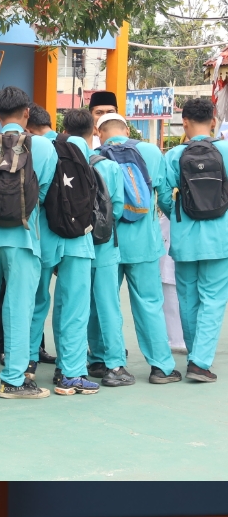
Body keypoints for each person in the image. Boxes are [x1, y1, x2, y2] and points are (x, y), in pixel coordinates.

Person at [0, 86, 57, 401]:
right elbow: (42, 194)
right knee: (18, 307)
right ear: (27, 113)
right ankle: (13, 379)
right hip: (25, 238)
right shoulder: (43, 147)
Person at [90, 111, 180, 385]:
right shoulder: (151, 152)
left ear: (99, 133)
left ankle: (104, 361)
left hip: (107, 242)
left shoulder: (95, 157)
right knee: (149, 303)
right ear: (127, 130)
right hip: (144, 243)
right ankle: (161, 367)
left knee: (104, 302)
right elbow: (164, 197)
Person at [159, 95, 227, 382]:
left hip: (184, 239)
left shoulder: (173, 155)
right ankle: (200, 362)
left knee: (187, 298)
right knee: (213, 299)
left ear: (184, 122)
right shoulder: (225, 151)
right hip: (220, 239)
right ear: (213, 121)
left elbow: (164, 198)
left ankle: (193, 356)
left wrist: (180, 218)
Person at [41, 109, 102, 395]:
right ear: (92, 130)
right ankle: (70, 372)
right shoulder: (85, 150)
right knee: (74, 307)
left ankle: (24, 371)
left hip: (45, 236)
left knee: (35, 305)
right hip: (78, 238)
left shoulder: (41, 145)